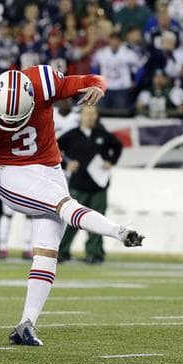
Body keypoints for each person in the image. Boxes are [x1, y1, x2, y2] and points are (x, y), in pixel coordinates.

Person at [0, 65, 144, 347]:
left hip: (50, 170)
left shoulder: (44, 82)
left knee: (47, 253)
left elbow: (93, 78)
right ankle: (118, 231)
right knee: (66, 205)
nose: (12, 124)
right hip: (11, 173)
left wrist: (98, 86)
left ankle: (26, 324)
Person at [58, 105, 123, 264]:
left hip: (99, 185)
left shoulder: (103, 134)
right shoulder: (71, 135)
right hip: (78, 185)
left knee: (99, 222)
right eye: (87, 114)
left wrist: (111, 161)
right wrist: (66, 164)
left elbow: (118, 146)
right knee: (71, 220)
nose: (90, 117)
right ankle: (61, 252)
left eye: (93, 114)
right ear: (81, 116)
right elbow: (54, 149)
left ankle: (94, 254)